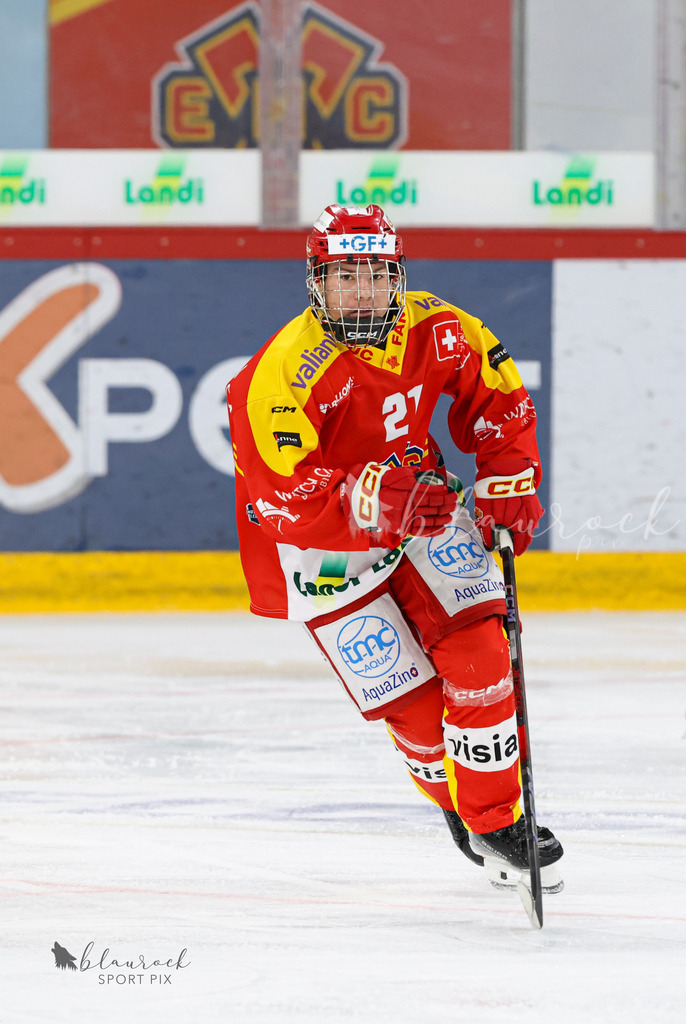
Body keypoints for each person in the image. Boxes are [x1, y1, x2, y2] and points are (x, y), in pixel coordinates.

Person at [225, 203, 563, 894]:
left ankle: (496, 817)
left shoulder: (440, 328)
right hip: (325, 559)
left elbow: (499, 400)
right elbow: (282, 500)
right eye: (344, 278)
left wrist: (508, 479)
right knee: (413, 711)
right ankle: (456, 803)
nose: (361, 292)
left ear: (397, 276)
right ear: (317, 284)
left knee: (482, 655)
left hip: (428, 511)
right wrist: (376, 502)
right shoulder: (279, 375)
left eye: (374, 276)